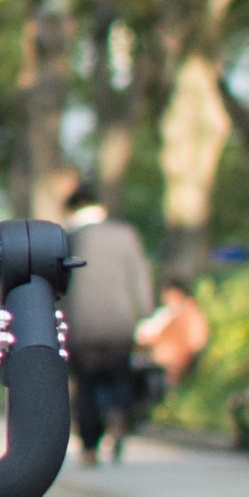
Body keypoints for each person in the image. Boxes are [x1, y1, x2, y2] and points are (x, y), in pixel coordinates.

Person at [62, 184, 154, 464]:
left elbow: (58, 287)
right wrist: (144, 315)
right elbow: (139, 278)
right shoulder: (125, 235)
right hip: (120, 322)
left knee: (86, 386)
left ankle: (89, 447)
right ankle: (117, 415)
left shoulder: (68, 238)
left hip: (81, 325)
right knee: (118, 376)